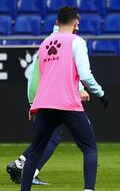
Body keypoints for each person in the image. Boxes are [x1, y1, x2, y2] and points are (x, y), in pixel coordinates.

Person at [21, 6, 108, 191]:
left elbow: (40, 77)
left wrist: (34, 105)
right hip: (67, 103)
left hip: (44, 104)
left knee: (34, 153)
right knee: (89, 148)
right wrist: (100, 93)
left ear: (56, 22)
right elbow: (85, 74)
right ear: (76, 22)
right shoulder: (77, 42)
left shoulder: (44, 44)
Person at [6, 15, 88, 186]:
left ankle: (19, 163)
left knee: (44, 136)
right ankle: (31, 172)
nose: (77, 28)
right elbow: (66, 71)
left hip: (39, 93)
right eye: (76, 24)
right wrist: (80, 89)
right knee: (52, 137)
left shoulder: (48, 41)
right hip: (48, 94)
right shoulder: (66, 42)